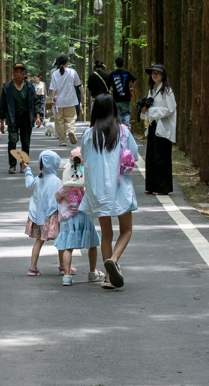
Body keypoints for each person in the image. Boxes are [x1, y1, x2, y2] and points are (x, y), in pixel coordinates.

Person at [80, 94, 138, 289]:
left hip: (98, 191)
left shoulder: (88, 135)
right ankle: (113, 260)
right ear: (114, 110)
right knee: (127, 230)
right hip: (120, 188)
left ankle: (107, 277)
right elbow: (134, 155)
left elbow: (85, 162)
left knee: (106, 233)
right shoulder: (123, 131)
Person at [54, 147, 104, 286]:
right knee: (92, 244)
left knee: (68, 246)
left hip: (68, 216)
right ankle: (92, 272)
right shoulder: (87, 174)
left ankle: (67, 276)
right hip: (85, 213)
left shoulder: (66, 175)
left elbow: (58, 195)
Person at [21, 150, 62, 276]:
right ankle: (63, 267)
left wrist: (27, 170)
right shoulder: (56, 180)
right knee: (61, 240)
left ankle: (32, 268)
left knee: (38, 241)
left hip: (39, 215)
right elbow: (60, 198)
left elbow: (29, 183)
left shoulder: (39, 178)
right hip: (52, 215)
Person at [140, 63, 177, 195]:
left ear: (162, 75)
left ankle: (162, 187)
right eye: (153, 73)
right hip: (153, 125)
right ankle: (151, 185)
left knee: (162, 157)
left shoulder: (167, 91)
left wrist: (153, 110)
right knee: (151, 156)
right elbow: (149, 109)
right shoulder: (152, 90)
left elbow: (171, 108)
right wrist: (144, 110)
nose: (155, 75)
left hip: (163, 126)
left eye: (157, 73)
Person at [0, 63, 42, 173]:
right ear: (13, 73)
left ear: (24, 73)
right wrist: (2, 122)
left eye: (21, 72)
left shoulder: (29, 86)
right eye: (16, 72)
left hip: (26, 118)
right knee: (12, 141)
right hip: (13, 118)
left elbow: (35, 102)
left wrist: (38, 116)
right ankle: (12, 165)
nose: (19, 74)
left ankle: (24, 164)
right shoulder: (7, 87)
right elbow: (2, 105)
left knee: (25, 143)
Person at [49, 54, 82, 147]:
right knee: (71, 119)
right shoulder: (72, 72)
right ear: (67, 63)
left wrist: (52, 99)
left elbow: (53, 89)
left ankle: (62, 141)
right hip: (70, 101)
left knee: (59, 121)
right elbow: (77, 84)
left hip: (58, 102)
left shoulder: (55, 73)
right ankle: (71, 131)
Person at [107, 56, 137, 126]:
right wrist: (132, 88)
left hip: (116, 98)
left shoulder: (113, 74)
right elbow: (135, 80)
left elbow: (107, 81)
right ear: (123, 63)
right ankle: (127, 129)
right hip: (126, 98)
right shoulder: (127, 73)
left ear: (116, 64)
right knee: (126, 113)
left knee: (118, 115)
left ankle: (120, 130)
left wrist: (111, 88)